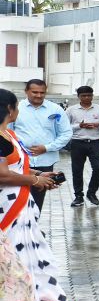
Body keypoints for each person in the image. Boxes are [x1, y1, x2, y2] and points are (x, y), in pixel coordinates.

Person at [0, 88, 70, 301]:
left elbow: (18, 167)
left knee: (30, 258)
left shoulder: (10, 135)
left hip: (23, 207)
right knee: (10, 260)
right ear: (9, 109)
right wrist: (35, 181)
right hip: (7, 206)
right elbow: (2, 175)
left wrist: (41, 174)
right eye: (16, 106)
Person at [9, 79, 71, 212]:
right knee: (17, 196)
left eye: (42, 92)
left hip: (45, 161)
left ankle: (33, 223)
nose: (38, 95)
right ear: (26, 91)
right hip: (20, 161)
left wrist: (47, 147)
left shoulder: (55, 109)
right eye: (35, 92)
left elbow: (66, 133)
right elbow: (8, 133)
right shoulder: (16, 109)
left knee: (37, 199)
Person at [66, 86, 99, 207]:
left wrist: (98, 125)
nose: (86, 98)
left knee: (98, 168)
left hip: (95, 142)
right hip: (77, 142)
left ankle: (91, 193)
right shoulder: (71, 110)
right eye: (83, 96)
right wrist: (79, 126)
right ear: (78, 97)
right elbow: (64, 127)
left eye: (89, 95)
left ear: (92, 95)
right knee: (77, 170)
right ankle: (78, 196)